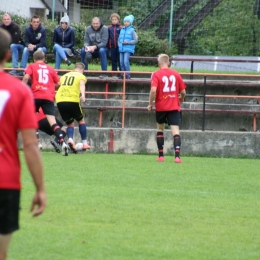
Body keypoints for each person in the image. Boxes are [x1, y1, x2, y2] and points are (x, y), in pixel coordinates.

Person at [0, 28, 46, 260]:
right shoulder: (19, 91)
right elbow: (30, 145)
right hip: (5, 181)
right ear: (8, 55)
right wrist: (40, 189)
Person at [22, 50, 69, 156]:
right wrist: (50, 87)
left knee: (31, 118)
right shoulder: (50, 69)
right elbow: (58, 83)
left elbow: (26, 77)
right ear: (44, 59)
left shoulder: (32, 66)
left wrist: (22, 89)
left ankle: (36, 144)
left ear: (34, 59)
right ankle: (62, 142)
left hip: (35, 95)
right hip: (48, 97)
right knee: (53, 122)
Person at [147, 54, 186, 163]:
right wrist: (181, 98)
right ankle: (177, 157)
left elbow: (153, 90)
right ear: (168, 63)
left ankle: (161, 156)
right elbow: (183, 91)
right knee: (175, 131)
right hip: (174, 106)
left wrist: (150, 103)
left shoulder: (156, 74)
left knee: (160, 129)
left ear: (159, 63)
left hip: (161, 107)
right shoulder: (176, 74)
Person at [56, 62, 91, 153]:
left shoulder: (64, 76)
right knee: (81, 120)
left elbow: (58, 85)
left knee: (70, 123)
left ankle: (71, 139)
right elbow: (82, 85)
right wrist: (83, 95)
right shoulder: (80, 76)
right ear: (82, 70)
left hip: (60, 100)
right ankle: (84, 142)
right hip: (72, 100)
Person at [118, 14, 138, 80]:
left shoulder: (132, 30)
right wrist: (119, 44)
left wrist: (128, 42)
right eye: (125, 21)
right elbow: (119, 39)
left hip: (128, 48)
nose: (126, 23)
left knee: (125, 62)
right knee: (121, 62)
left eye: (128, 21)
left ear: (130, 23)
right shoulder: (122, 30)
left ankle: (128, 75)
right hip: (121, 48)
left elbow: (135, 40)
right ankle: (122, 74)